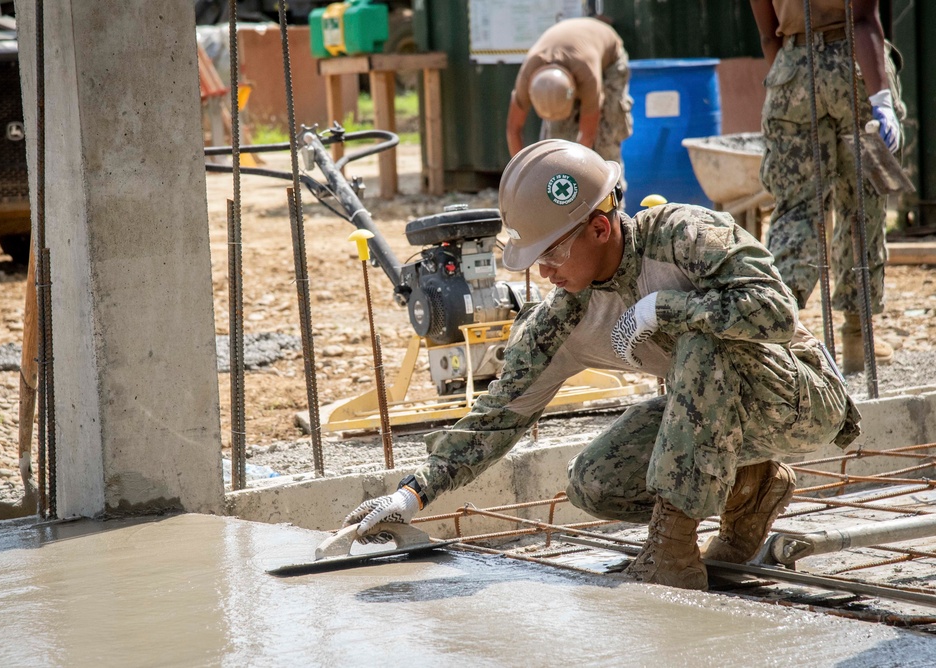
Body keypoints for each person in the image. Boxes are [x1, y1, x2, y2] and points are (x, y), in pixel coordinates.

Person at [343, 139, 861, 591]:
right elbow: (500, 413)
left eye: (551, 254)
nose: (544, 272)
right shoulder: (566, 318)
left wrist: (667, 308)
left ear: (597, 227)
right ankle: (751, 486)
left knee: (701, 345)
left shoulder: (683, 237)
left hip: (801, 400)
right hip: (721, 420)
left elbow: (776, 312)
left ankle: (673, 554)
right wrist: (414, 492)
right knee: (595, 481)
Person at [750, 0, 906, 374]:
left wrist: (795, 86)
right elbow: (863, 18)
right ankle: (857, 336)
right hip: (854, 69)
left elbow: (767, 33)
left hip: (791, 71)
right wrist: (881, 99)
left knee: (794, 210)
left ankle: (776, 336)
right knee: (862, 204)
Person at [506, 17, 633, 193]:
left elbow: (587, 136)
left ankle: (612, 196)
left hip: (608, 59)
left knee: (606, 135)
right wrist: (524, 174)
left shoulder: (588, 76)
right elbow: (513, 129)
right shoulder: (526, 78)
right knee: (558, 139)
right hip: (573, 55)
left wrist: (571, 181)